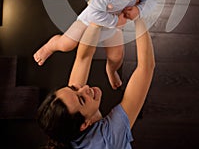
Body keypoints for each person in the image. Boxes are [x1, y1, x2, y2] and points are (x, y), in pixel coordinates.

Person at [37, 17, 155, 149]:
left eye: (73, 88)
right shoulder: (108, 140)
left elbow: (83, 57)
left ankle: (110, 70)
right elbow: (146, 67)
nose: (84, 88)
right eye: (81, 99)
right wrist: (138, 17)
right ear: (84, 125)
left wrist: (96, 19)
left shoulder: (66, 123)